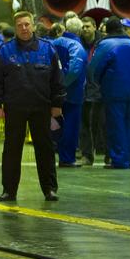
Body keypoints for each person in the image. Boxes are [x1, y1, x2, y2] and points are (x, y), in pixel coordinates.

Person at [0, 9, 64, 203]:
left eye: (27, 24)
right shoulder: (4, 51)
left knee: (45, 150)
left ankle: (50, 190)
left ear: (33, 25)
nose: (24, 28)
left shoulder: (48, 49)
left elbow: (57, 80)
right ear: (15, 27)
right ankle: (9, 191)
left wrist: (57, 104)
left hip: (42, 107)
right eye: (20, 25)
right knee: (12, 150)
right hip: (15, 108)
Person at [87, 16, 130, 169]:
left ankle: (119, 160)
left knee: (115, 124)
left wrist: (96, 81)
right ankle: (127, 157)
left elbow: (94, 67)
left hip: (113, 89)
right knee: (129, 124)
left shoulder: (106, 44)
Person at [52, 16, 88, 168]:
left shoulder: (53, 43)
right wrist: (63, 85)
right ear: (79, 31)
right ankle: (67, 158)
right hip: (72, 94)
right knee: (71, 126)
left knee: (56, 125)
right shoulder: (77, 47)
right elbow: (73, 70)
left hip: (53, 93)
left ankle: (57, 154)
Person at [78, 16, 106, 165]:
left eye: (88, 26)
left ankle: (105, 152)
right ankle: (87, 154)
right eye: (83, 27)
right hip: (83, 89)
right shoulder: (78, 43)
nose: (85, 29)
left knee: (100, 123)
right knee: (85, 124)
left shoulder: (103, 43)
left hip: (100, 89)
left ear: (95, 27)